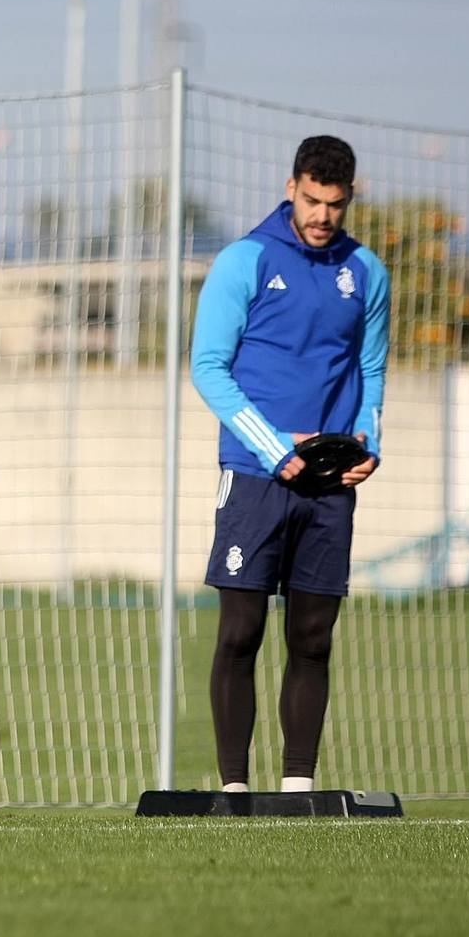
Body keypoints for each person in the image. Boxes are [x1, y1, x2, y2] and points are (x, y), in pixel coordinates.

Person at [191, 135, 389, 793]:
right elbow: (208, 368)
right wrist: (277, 445)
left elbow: (370, 368)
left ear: (348, 197)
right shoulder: (244, 259)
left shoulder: (367, 273)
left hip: (331, 480)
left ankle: (298, 789)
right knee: (242, 629)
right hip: (253, 472)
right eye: (311, 199)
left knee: (313, 634)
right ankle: (235, 789)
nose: (322, 215)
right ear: (290, 186)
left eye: (334, 203)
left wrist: (369, 444)